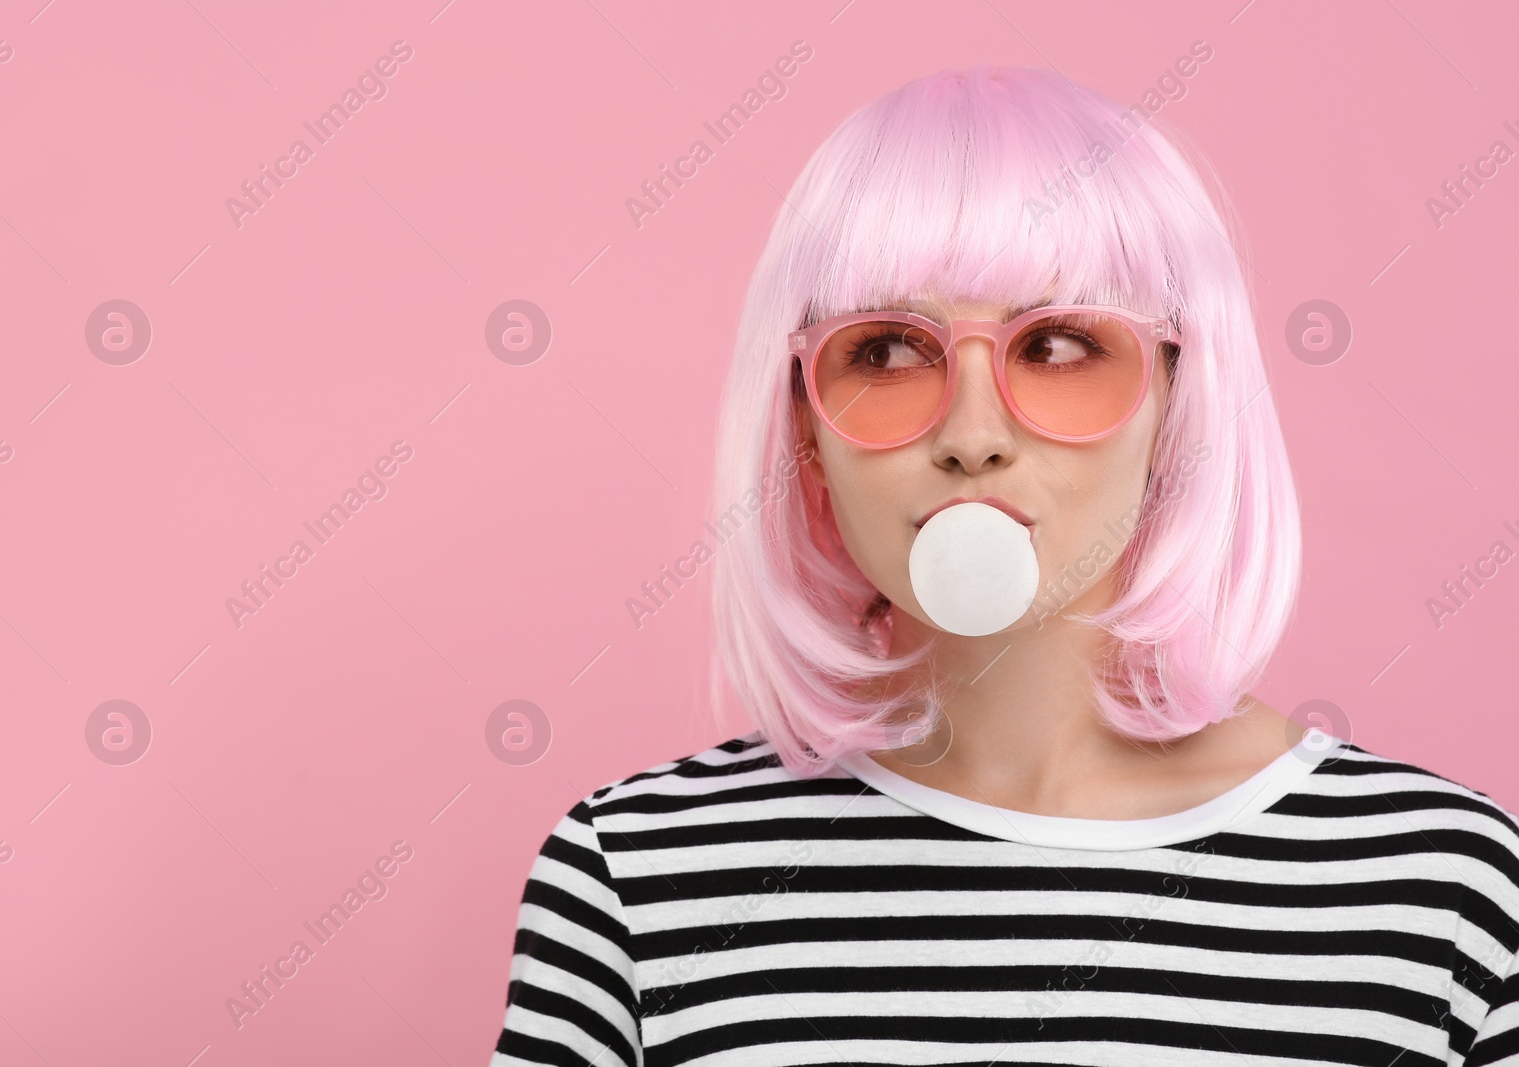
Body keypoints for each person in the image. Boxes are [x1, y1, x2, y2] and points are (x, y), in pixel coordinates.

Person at [488, 64, 1519, 1065]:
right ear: (805, 426)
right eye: (886, 353)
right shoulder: (637, 878)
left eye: (1060, 346)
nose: (972, 434)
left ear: (1177, 404)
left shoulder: (1446, 892)